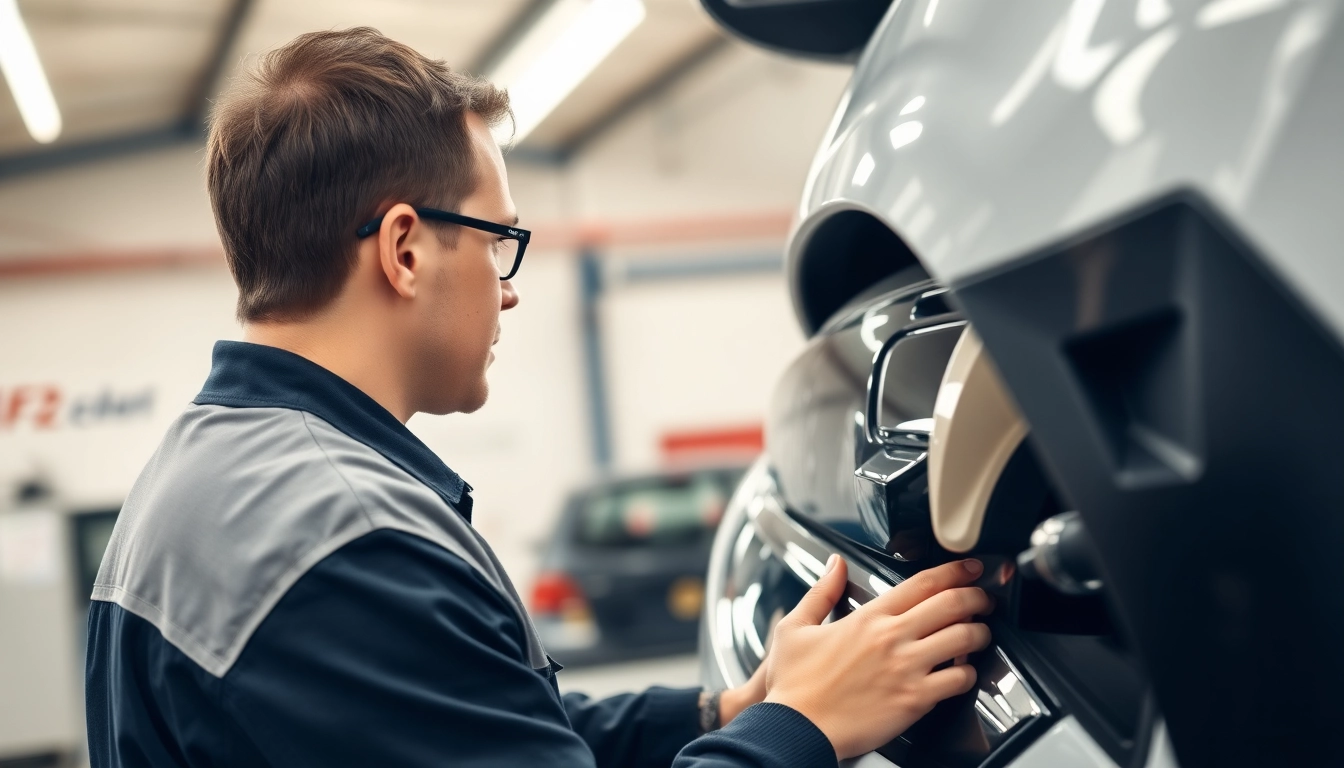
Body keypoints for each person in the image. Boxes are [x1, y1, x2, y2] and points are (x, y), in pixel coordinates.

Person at [84, 28, 992, 768]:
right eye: (497, 241)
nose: (509, 288)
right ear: (404, 250)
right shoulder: (341, 547)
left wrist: (732, 710)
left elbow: (478, 726)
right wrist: (800, 728)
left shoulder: (217, 474)